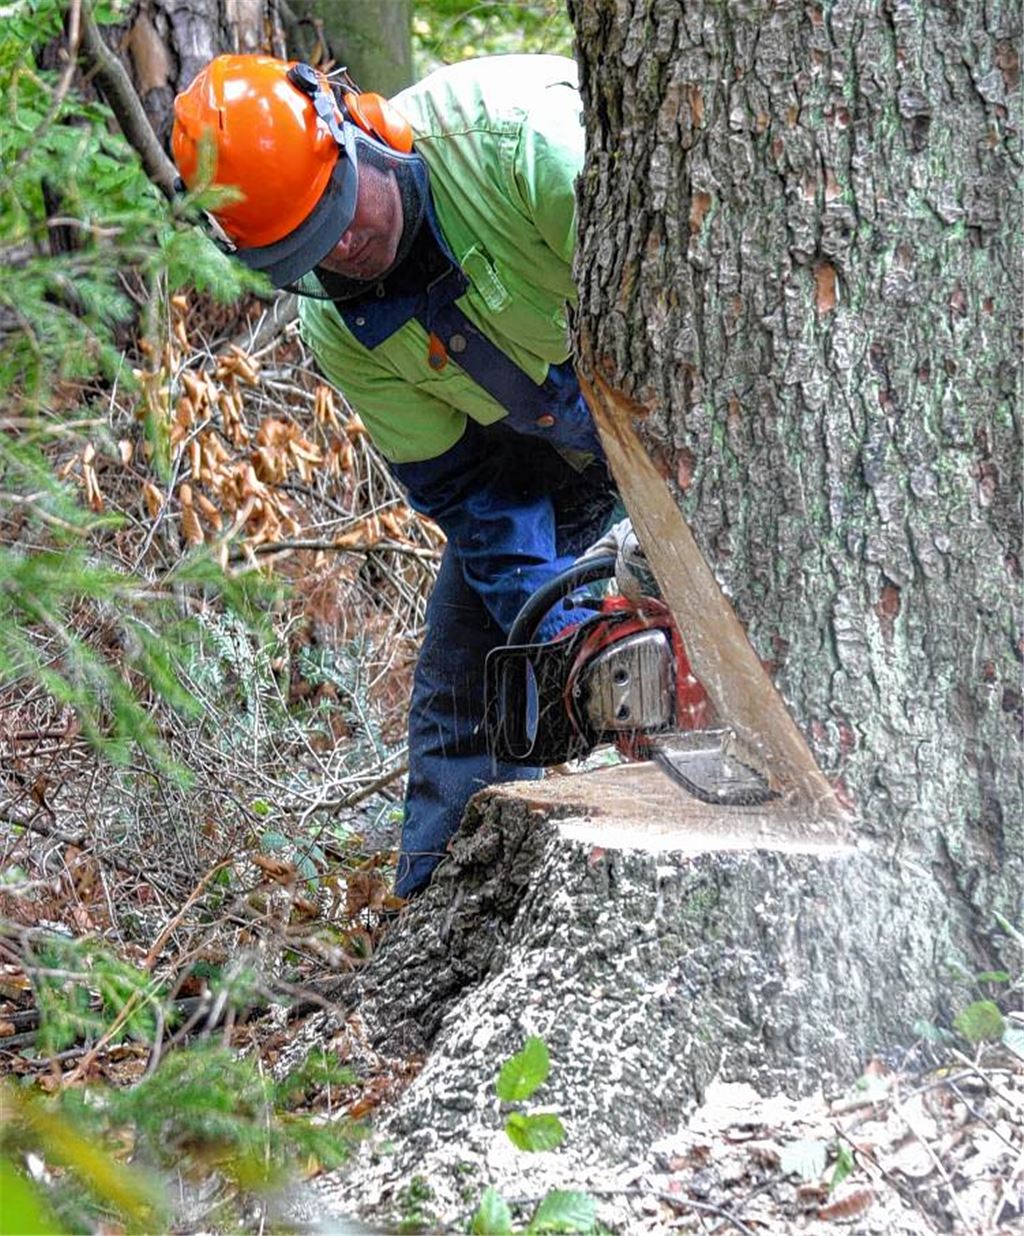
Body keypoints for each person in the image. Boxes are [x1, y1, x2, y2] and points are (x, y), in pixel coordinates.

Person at [172, 52, 619, 898]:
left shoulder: (526, 146)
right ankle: (438, 923)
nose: (341, 250)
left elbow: (694, 318)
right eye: (307, 250)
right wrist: (568, 630)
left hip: (669, 403)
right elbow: (473, 493)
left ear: (354, 129)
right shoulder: (341, 331)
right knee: (471, 677)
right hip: (548, 451)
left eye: (336, 212)